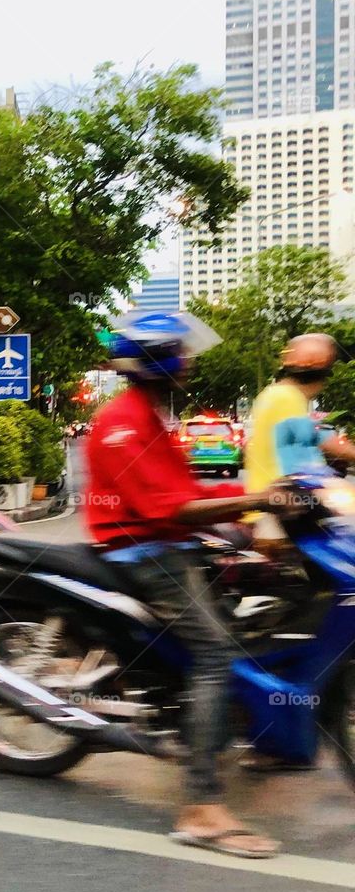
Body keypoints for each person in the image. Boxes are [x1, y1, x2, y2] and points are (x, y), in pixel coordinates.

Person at [85, 311, 293, 860]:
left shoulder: (151, 414)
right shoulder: (123, 422)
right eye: (181, 351)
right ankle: (201, 808)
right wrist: (254, 501)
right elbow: (172, 507)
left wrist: (256, 490)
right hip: (145, 551)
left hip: (169, 541)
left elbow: (183, 486)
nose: (190, 359)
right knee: (214, 654)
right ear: (158, 361)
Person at [245, 333, 355, 545]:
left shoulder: (272, 393)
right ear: (321, 375)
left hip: (279, 505)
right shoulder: (287, 397)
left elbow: (313, 438)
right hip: (283, 512)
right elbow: (324, 441)